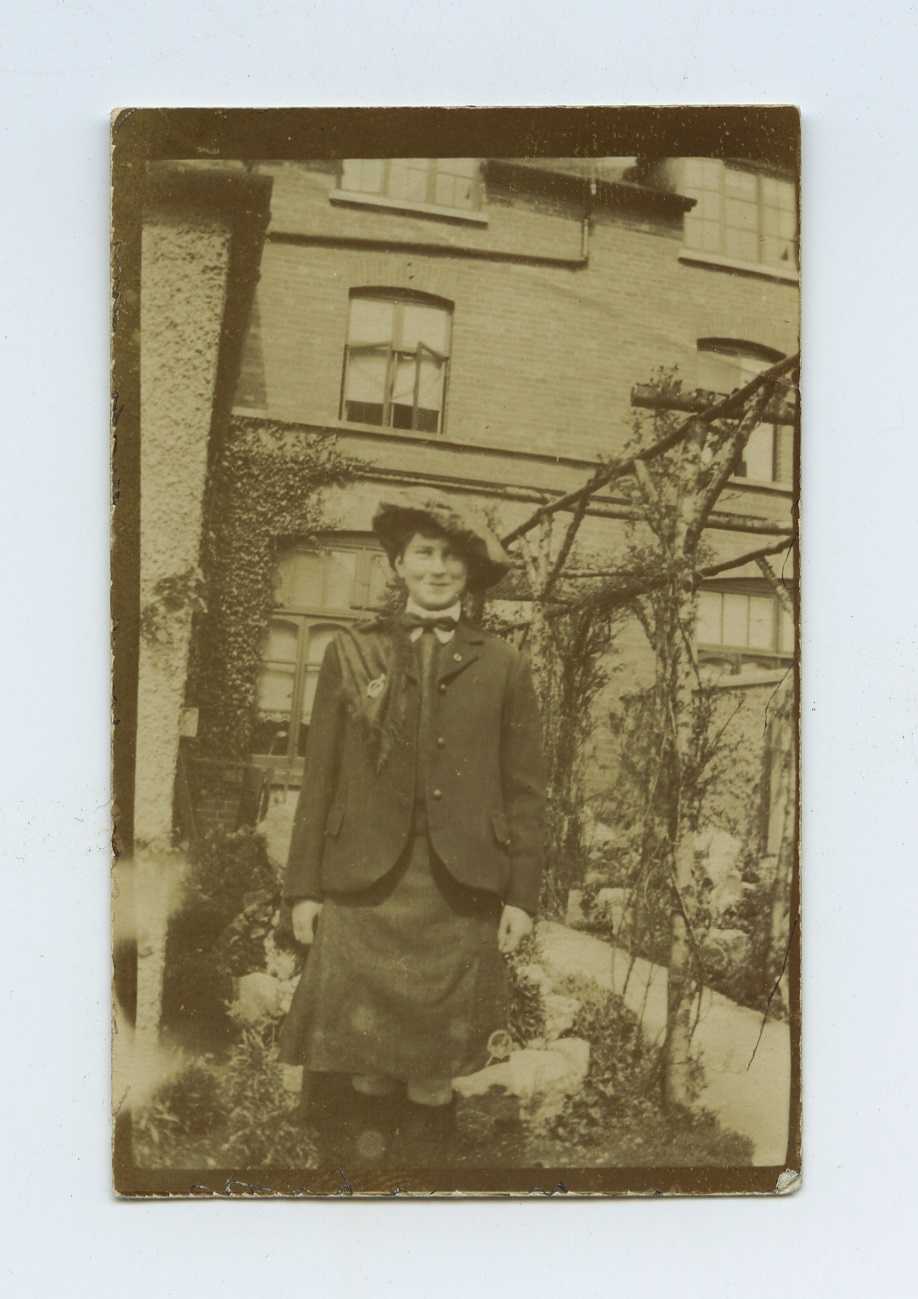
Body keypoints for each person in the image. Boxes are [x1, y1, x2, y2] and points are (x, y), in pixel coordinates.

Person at [278, 488, 546, 1166]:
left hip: (458, 887)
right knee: (365, 1058)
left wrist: (521, 895)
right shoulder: (351, 653)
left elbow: (526, 790)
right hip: (365, 883)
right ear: (398, 563)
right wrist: (302, 890)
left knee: (433, 1066)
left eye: (452, 557)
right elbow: (321, 780)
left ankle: (426, 1184)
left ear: (469, 573)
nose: (437, 568)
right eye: (424, 553)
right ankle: (365, 1182)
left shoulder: (506, 664)